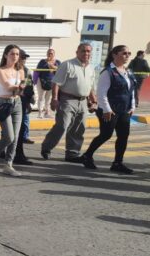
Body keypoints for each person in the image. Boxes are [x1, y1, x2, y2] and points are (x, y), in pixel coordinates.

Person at [81, 45, 136, 174]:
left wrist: (132, 105)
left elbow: (131, 90)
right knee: (106, 135)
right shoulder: (108, 72)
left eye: (129, 53)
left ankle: (117, 163)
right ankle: (87, 156)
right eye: (124, 53)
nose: (127, 56)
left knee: (123, 136)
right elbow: (101, 93)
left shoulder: (128, 71)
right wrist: (106, 109)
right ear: (114, 55)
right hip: (109, 110)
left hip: (124, 110)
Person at [40, 42, 97, 162]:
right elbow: (56, 83)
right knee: (62, 125)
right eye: (83, 51)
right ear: (77, 52)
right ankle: (46, 147)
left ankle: (72, 153)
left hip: (82, 101)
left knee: (78, 128)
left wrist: (93, 101)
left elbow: (90, 87)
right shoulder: (68, 64)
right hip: (67, 99)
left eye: (88, 51)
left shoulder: (91, 68)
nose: (86, 53)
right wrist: (54, 99)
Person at [0, 45, 24, 177]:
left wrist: (21, 88)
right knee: (9, 136)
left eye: (17, 54)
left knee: (16, 137)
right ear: (6, 55)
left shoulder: (20, 70)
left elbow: (23, 87)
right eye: (12, 54)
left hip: (17, 103)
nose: (15, 57)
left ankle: (8, 164)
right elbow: (8, 87)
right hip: (4, 103)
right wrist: (20, 88)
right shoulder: (0, 70)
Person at [13, 50, 35, 166]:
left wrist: (30, 101)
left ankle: (19, 154)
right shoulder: (11, 70)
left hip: (22, 102)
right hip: (11, 102)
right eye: (22, 57)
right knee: (10, 131)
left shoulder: (26, 71)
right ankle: (5, 151)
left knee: (20, 130)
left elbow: (30, 87)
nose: (23, 60)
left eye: (25, 58)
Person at [34, 48, 60, 118]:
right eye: (48, 53)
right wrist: (47, 64)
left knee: (48, 98)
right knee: (41, 97)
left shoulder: (57, 62)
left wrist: (52, 66)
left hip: (52, 82)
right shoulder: (42, 61)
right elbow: (37, 69)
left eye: (51, 53)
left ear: (54, 54)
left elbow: (60, 69)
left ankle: (47, 112)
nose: (50, 55)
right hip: (41, 81)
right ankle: (40, 113)